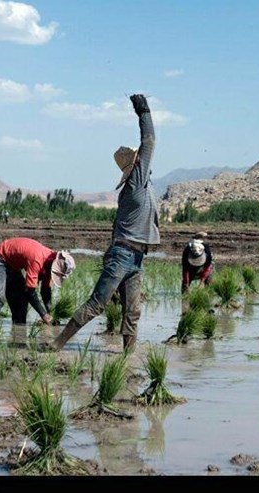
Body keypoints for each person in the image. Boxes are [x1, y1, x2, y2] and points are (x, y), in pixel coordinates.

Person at [49, 94, 159, 353]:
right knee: (98, 303)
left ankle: (127, 358)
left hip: (135, 257)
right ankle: (56, 344)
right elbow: (150, 141)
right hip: (123, 255)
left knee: (133, 310)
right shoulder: (136, 181)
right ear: (135, 166)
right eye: (140, 160)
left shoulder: (144, 186)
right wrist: (143, 112)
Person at [0, 237, 76, 336]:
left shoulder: (49, 262)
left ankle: (18, 332)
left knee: (21, 299)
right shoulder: (37, 259)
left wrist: (50, 312)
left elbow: (45, 291)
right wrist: (44, 315)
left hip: (13, 266)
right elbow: (30, 291)